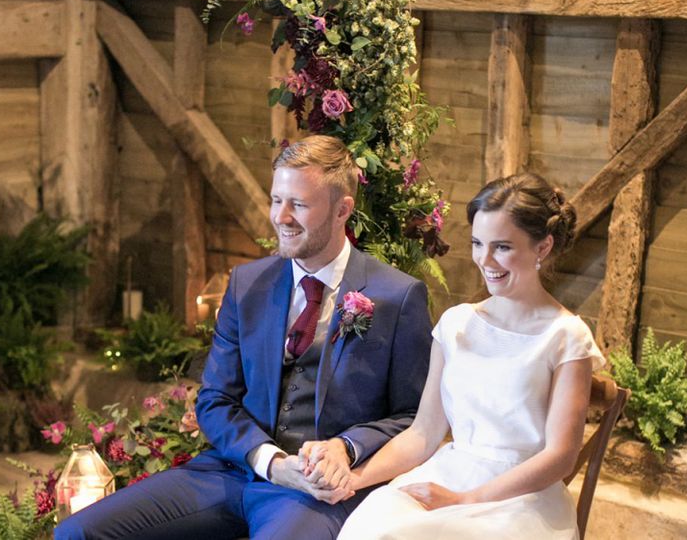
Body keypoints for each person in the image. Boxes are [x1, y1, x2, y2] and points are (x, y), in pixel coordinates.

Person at [55, 135, 432, 540]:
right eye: (276, 200)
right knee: (78, 533)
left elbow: (413, 418)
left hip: (316, 492)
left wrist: (347, 447)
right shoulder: (246, 284)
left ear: (343, 210)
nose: (281, 217)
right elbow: (215, 400)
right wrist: (269, 461)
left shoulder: (397, 296)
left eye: (299, 205)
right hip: (234, 471)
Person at [333, 173, 606, 540]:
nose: (484, 259)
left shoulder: (566, 337)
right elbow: (423, 432)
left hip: (523, 500)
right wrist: (356, 478)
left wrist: (466, 499)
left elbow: (560, 458)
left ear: (542, 248)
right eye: (478, 243)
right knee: (370, 530)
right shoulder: (455, 323)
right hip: (450, 472)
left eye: (502, 247)